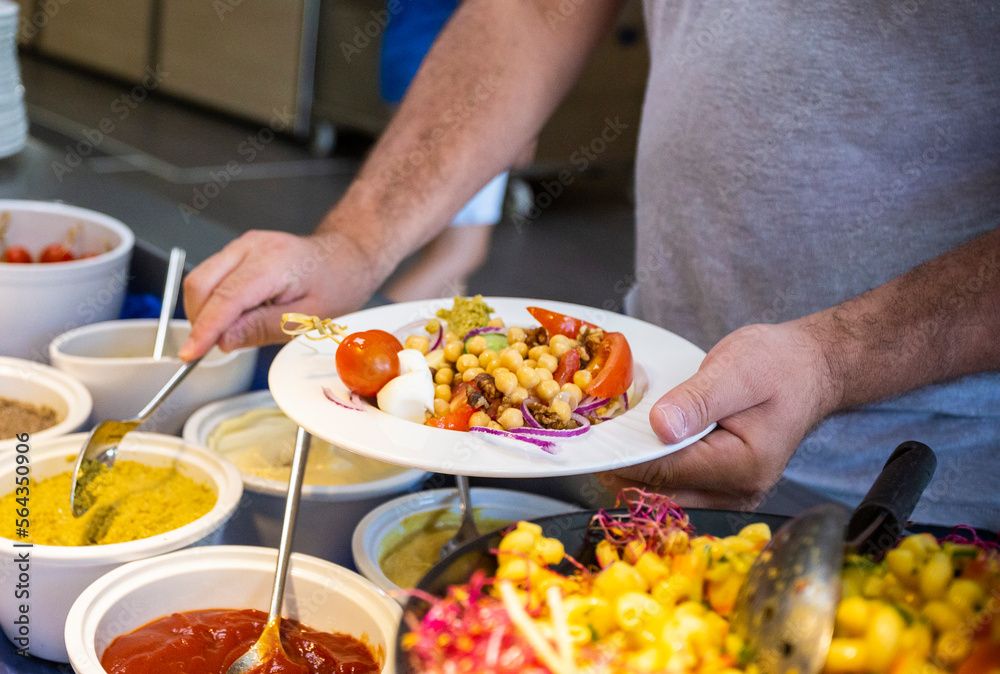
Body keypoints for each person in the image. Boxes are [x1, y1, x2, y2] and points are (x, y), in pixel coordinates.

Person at [180, 2, 1000, 529]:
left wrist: (835, 362)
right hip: (641, 440)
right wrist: (357, 241)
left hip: (932, 491)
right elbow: (534, 12)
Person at [377, 0, 510, 302]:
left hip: (405, 67)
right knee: (461, 252)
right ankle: (361, 340)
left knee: (444, 262)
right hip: (464, 84)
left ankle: (450, 345)